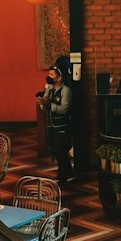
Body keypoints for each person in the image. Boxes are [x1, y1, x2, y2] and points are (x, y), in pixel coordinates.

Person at [39, 54, 74, 182]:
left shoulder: (66, 90)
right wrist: (45, 97)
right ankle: (67, 172)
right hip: (53, 125)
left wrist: (50, 106)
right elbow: (45, 101)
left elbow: (64, 109)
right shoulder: (52, 89)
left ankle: (63, 176)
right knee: (55, 150)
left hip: (63, 126)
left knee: (61, 151)